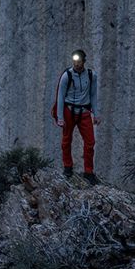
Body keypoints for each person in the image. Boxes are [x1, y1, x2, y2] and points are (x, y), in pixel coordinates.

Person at [51, 49, 101, 185]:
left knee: (90, 142)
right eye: (74, 61)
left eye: (79, 61)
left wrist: (96, 114)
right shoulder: (67, 76)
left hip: (84, 111)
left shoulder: (91, 76)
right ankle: (67, 167)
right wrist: (60, 117)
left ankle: (89, 172)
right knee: (66, 140)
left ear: (84, 61)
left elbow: (93, 95)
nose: (76, 64)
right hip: (69, 111)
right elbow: (60, 96)